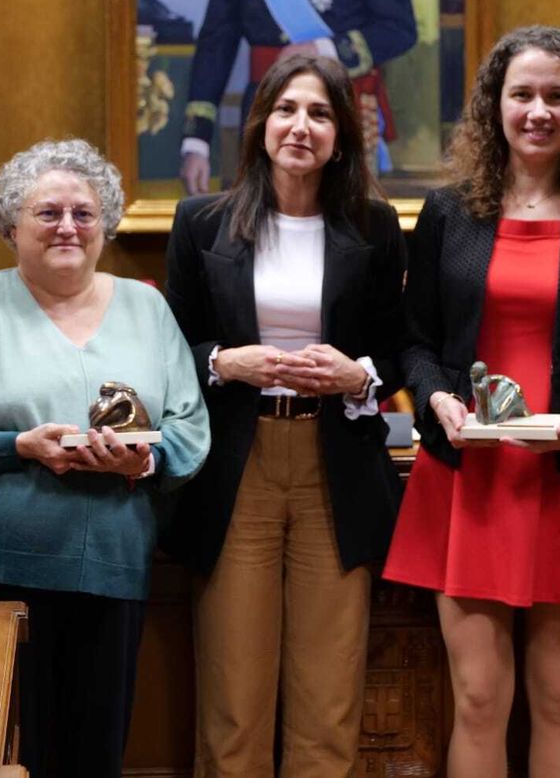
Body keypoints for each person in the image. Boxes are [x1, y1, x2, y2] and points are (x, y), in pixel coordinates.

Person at [382, 25, 560, 777]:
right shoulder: (449, 213)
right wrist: (436, 399)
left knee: (559, 700)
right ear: (494, 106)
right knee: (475, 697)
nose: (539, 110)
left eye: (557, 96)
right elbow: (413, 341)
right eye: (523, 94)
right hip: (469, 478)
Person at [0, 138, 209, 778]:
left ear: (105, 222)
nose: (68, 227)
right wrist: (16, 446)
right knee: (2, 754)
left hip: (112, 563)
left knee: (95, 755)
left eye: (85, 212)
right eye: (48, 213)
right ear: (11, 225)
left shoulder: (148, 306)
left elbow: (189, 429)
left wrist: (143, 463)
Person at [162, 53, 407, 776]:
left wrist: (356, 374)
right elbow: (171, 343)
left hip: (337, 462)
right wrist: (223, 362)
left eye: (321, 114)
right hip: (239, 463)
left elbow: (400, 347)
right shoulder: (201, 221)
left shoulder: (374, 223)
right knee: (235, 698)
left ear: (341, 135)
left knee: (328, 696)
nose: (302, 127)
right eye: (287, 110)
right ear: (262, 122)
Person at [178, 0, 417, 194]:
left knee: (342, 230)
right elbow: (217, 41)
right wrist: (197, 140)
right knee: (260, 225)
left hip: (338, 109)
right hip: (264, 110)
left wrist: (323, 49)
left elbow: (399, 27)